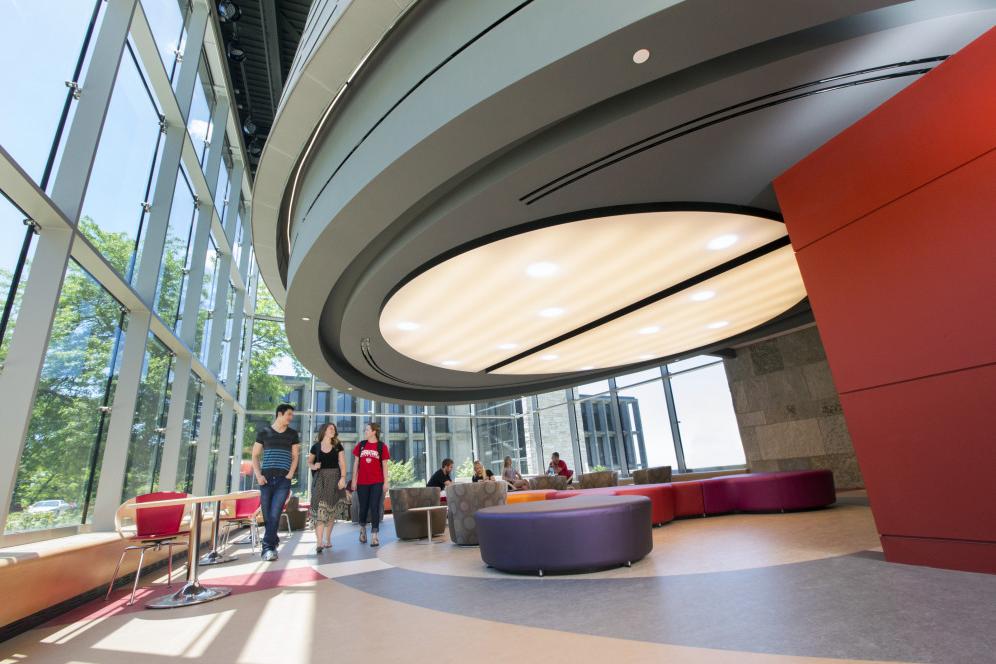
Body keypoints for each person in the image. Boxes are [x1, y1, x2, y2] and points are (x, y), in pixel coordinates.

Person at [252, 403, 300, 562]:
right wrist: (258, 475)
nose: (291, 418)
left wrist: (290, 474)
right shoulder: (264, 432)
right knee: (267, 515)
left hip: (283, 480)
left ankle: (268, 548)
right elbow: (255, 455)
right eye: (289, 414)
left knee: (275, 513)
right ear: (280, 414)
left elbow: (295, 457)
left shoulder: (292, 434)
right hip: (265, 479)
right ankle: (273, 540)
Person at [308, 422, 350, 554]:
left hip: (334, 479)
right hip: (319, 480)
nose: (333, 430)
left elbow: (343, 464)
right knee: (319, 509)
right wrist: (314, 466)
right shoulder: (315, 447)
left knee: (331, 510)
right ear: (324, 431)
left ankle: (328, 538)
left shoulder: (338, 446)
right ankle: (319, 542)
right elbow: (309, 462)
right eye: (330, 428)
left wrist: (343, 478)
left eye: (334, 429)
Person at [351, 422, 390, 547]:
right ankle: (362, 530)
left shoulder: (381, 446)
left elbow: (384, 465)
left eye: (367, 429)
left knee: (375, 507)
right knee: (363, 508)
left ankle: (374, 535)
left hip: (377, 482)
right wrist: (353, 480)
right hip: (362, 482)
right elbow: (356, 464)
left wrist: (386, 482)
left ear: (374, 432)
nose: (365, 431)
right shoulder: (361, 445)